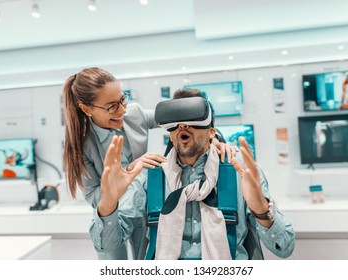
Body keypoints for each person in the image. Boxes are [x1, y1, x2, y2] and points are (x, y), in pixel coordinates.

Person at [91, 88, 295, 260]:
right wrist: (108, 204)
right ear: (169, 132)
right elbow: (105, 245)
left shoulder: (239, 171)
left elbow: (285, 247)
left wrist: (261, 210)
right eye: (176, 122)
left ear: (212, 132)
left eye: (192, 120)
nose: (183, 127)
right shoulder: (150, 175)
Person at [63, 67, 237, 259]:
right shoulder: (81, 146)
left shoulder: (133, 113)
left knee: (145, 258)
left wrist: (214, 139)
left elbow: (181, 118)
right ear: (87, 109)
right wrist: (126, 174)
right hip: (112, 210)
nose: (121, 110)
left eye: (122, 99)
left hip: (142, 205)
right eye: (111, 106)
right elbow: (94, 197)